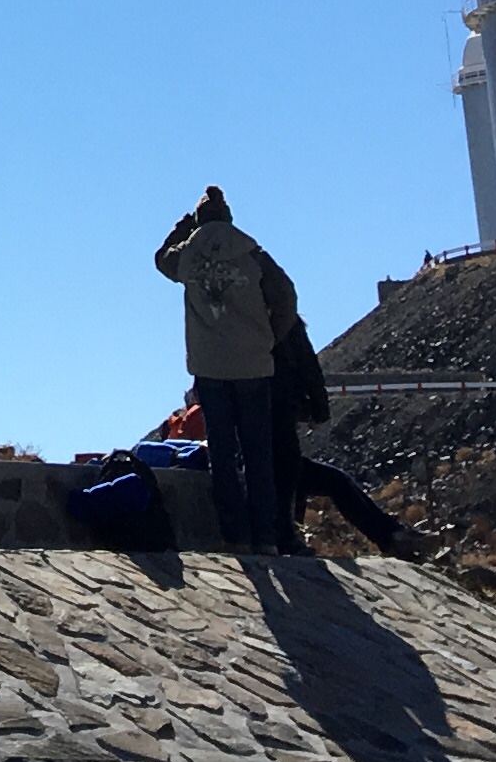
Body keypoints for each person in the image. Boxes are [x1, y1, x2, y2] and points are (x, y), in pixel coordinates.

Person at [154, 184, 296, 553]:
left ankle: (235, 536)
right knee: (257, 452)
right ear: (229, 218)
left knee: (222, 452)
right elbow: (286, 297)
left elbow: (160, 258)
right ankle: (266, 536)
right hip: (253, 363)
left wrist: (183, 227)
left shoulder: (187, 258)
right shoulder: (253, 254)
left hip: (210, 366)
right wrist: (270, 339)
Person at [270, 300, 407, 555]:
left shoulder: (232, 326)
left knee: (304, 475)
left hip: (246, 429)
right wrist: (318, 408)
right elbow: (308, 367)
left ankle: (390, 535)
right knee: (297, 474)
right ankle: (390, 536)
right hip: (277, 416)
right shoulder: (283, 320)